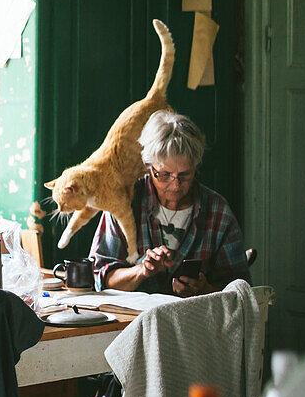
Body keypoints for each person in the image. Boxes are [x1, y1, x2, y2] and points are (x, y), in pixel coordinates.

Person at [89, 110, 250, 296]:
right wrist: (143, 270)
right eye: (165, 175)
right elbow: (101, 279)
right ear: (148, 167)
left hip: (195, 321)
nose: (175, 184)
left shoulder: (217, 212)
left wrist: (204, 289)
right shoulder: (125, 204)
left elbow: (241, 293)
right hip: (132, 322)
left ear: (195, 168)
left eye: (184, 175)